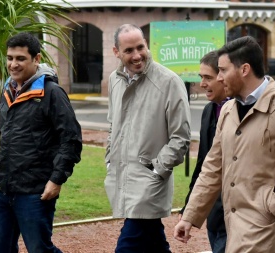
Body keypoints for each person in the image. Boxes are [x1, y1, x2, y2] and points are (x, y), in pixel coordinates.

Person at [174, 36, 275, 252]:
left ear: (244, 69)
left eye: (222, 70)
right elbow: (212, 168)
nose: (218, 78)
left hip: (264, 231)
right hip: (231, 227)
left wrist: (271, 207)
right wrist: (190, 215)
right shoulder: (228, 111)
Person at [0, 32, 82, 253]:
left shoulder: (52, 93)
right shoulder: (7, 90)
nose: (13, 64)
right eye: (10, 58)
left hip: (35, 191)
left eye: (20, 58)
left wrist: (56, 179)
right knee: (0, 249)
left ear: (37, 59)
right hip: (3, 190)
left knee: (40, 249)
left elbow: (71, 139)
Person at [105, 24, 191, 252]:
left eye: (140, 47)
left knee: (127, 245)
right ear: (116, 52)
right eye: (129, 50)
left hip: (149, 184)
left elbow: (181, 138)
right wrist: (109, 158)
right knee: (154, 242)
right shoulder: (114, 79)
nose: (137, 55)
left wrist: (156, 170)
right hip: (122, 177)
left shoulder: (170, 82)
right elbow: (113, 124)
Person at [179, 50, 228, 253]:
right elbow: (203, 163)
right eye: (201, 77)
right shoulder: (209, 111)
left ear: (223, 77)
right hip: (213, 215)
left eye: (208, 77)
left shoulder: (242, 111)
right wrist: (189, 209)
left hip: (235, 216)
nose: (202, 83)